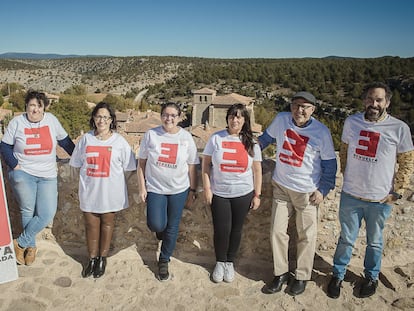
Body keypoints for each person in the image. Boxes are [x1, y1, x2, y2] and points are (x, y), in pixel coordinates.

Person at [327, 82, 414, 299]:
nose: (374, 104)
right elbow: (344, 153)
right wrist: (349, 178)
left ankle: (371, 277)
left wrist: (398, 191)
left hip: (380, 198)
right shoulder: (351, 122)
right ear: (364, 100)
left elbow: (407, 161)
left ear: (387, 102)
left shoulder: (399, 128)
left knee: (375, 241)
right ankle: (338, 274)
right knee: (346, 239)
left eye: (379, 100)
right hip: (351, 195)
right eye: (370, 99)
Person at [259, 91, 337, 296]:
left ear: (313, 110)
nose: (299, 110)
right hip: (281, 188)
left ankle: (302, 276)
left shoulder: (321, 132)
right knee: (277, 232)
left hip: (307, 193)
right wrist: (247, 154)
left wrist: (323, 189)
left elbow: (330, 165)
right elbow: (264, 140)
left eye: (305, 107)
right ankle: (281, 273)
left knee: (306, 236)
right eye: (295, 105)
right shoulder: (281, 120)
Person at [0, 90, 75, 266]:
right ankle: (30, 249)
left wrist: (80, 158)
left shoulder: (51, 121)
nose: (35, 110)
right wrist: (15, 165)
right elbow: (4, 146)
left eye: (39, 106)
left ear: (44, 108)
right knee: (27, 211)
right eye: (32, 105)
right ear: (26, 106)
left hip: (47, 174)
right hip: (23, 173)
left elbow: (65, 142)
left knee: (47, 212)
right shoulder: (17, 122)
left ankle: (19, 243)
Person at [69, 102, 136, 278]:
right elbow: (75, 165)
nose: (102, 120)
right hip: (90, 191)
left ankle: (102, 259)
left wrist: (115, 183)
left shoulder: (119, 142)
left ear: (111, 120)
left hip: (110, 193)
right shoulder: (85, 140)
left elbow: (130, 168)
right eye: (98, 116)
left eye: (105, 117)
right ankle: (91, 259)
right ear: (93, 118)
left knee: (107, 224)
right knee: (90, 225)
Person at [137, 102, 199, 281]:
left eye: (173, 115)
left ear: (179, 117)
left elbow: (192, 166)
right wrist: (142, 187)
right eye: (165, 114)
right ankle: (159, 232)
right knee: (156, 224)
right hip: (155, 188)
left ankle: (164, 260)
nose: (169, 118)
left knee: (172, 226)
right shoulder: (151, 135)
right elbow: (141, 163)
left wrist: (193, 190)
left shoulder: (186, 137)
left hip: (179, 189)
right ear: (161, 115)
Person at [202, 103, 262, 283]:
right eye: (232, 116)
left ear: (245, 120)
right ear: (227, 119)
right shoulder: (216, 138)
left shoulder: (251, 142)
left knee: (236, 230)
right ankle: (220, 262)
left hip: (243, 193)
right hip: (219, 193)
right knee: (221, 230)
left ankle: (230, 262)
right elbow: (205, 165)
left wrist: (257, 195)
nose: (235, 120)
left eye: (239, 117)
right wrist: (207, 189)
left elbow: (257, 171)